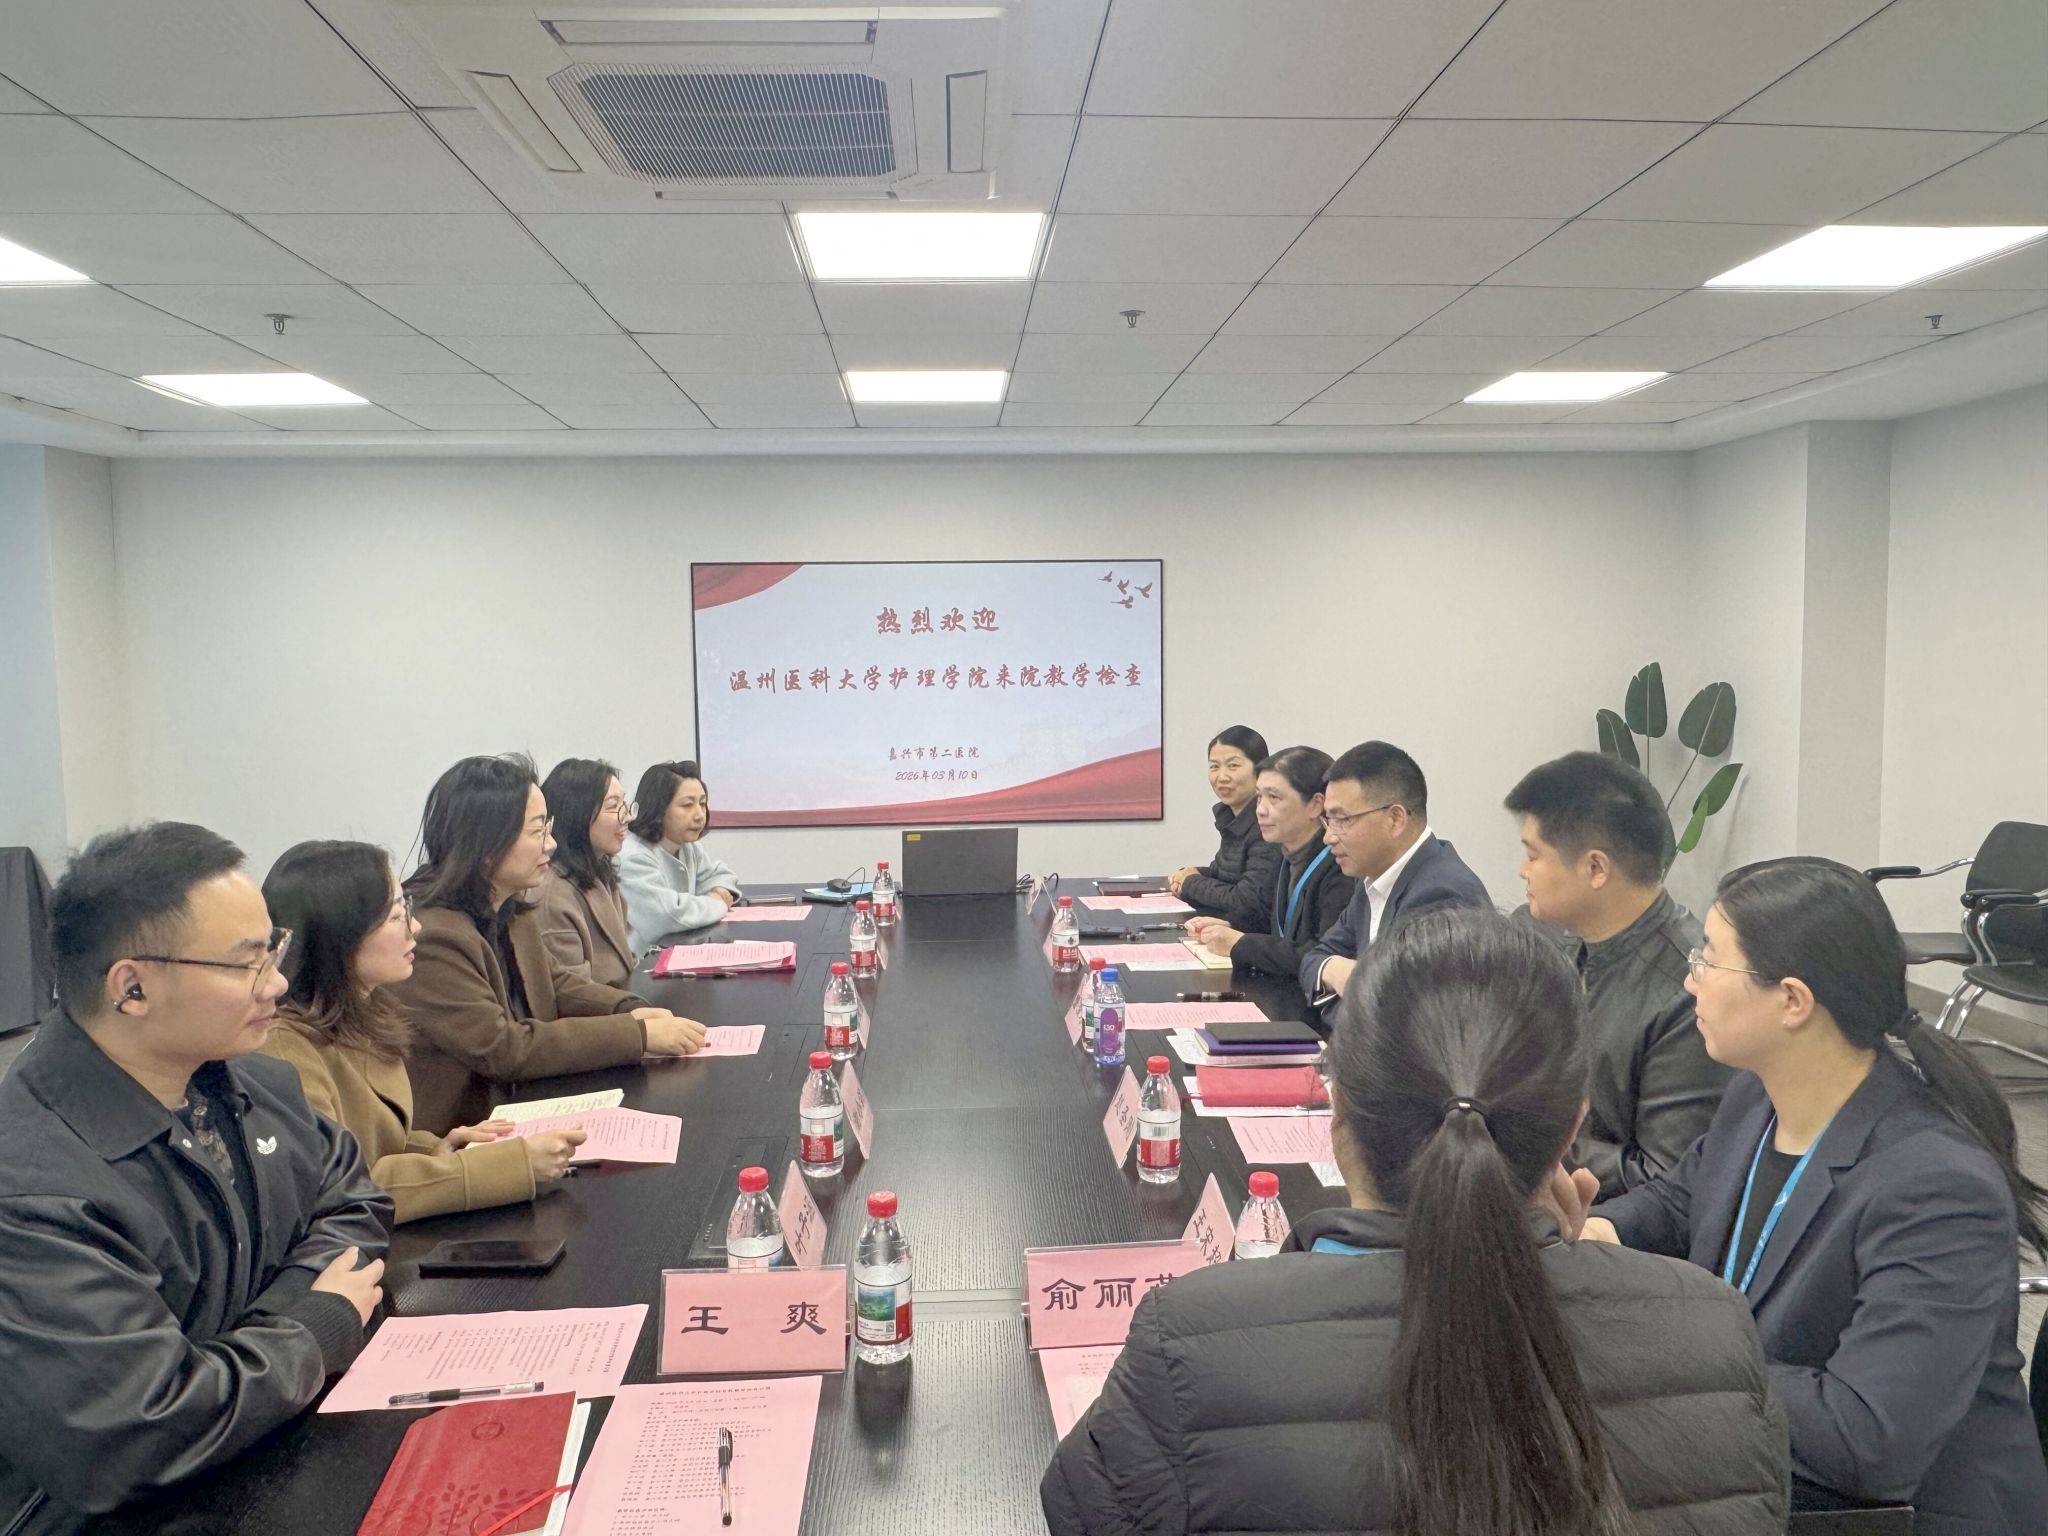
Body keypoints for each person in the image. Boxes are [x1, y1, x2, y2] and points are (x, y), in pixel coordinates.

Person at [1043, 908, 1789, 1535]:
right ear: (1574, 1127)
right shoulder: (1715, 1331)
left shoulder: (1190, 1343)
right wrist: (1560, 1256)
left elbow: (1079, 1510)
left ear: (1338, 1109)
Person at [1564, 857, 2048, 1535]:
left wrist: (1679, 1353)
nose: (1689, 978)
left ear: (1792, 1001)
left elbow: (1868, 1438)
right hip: (1770, 1461)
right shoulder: (1759, 1095)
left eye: (1708, 959)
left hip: (1893, 1514)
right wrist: (1585, 1234)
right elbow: (1679, 1202)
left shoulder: (1938, 1187)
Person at [0, 823, 391, 1524]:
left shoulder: (250, 1080)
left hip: (260, 1458)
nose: (277, 982)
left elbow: (352, 1198)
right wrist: (312, 1328)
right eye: (246, 963)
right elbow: (136, 1431)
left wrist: (261, 1333)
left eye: (273, 949)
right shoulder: (31, 1184)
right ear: (132, 988)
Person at [260, 840, 586, 1225]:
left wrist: (437, 1147)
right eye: (397, 916)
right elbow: (339, 1189)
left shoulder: (366, 1009)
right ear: (340, 935)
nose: (415, 927)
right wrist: (514, 1164)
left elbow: (383, 1142)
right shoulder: (284, 1049)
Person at [395, 754, 705, 1132]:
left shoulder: (509, 906)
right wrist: (635, 1034)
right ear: (487, 843)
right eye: (537, 831)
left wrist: (631, 1008)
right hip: (463, 1131)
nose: (551, 844)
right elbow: (503, 1047)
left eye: (549, 828)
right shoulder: (433, 936)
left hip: (523, 1103)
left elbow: (556, 983)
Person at [1506, 750, 1731, 1196]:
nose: (1522, 871)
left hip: (1611, 1223)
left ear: (1596, 868)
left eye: (1533, 855)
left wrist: (1523, 1133)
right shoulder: (1550, 938)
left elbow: (1664, 1176)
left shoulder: (1688, 990)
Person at [1297, 740, 1489, 1012]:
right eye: (1328, 820)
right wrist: (1335, 969)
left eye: (1343, 820)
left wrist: (1351, 988)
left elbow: (1401, 1017)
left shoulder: (1444, 895)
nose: (1329, 837)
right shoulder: (1372, 879)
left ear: (1395, 819)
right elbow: (1313, 959)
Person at [1184, 746, 1356, 979]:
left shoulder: (1340, 865)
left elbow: (1326, 958)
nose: (1261, 810)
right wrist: (1229, 926)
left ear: (1316, 805)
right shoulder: (1285, 853)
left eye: (1273, 797)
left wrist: (1240, 943)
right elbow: (1267, 920)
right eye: (1259, 797)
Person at [617, 759, 742, 953]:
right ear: (658, 809)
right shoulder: (632, 857)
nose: (699, 815)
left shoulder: (688, 846)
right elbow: (668, 915)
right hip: (642, 965)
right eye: (687, 805)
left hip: (677, 955)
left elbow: (720, 874)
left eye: (702, 804)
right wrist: (716, 902)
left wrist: (717, 891)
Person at [537, 758, 640, 989]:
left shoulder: (600, 870)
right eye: (613, 806)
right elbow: (574, 993)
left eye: (625, 805)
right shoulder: (554, 894)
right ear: (576, 813)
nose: (627, 817)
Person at [1167, 726, 1280, 928]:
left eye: (1233, 766)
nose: (1222, 776)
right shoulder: (1231, 817)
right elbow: (1226, 876)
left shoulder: (1266, 825)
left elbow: (1246, 900)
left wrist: (1191, 882)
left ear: (1260, 770)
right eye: (1214, 767)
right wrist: (1193, 874)